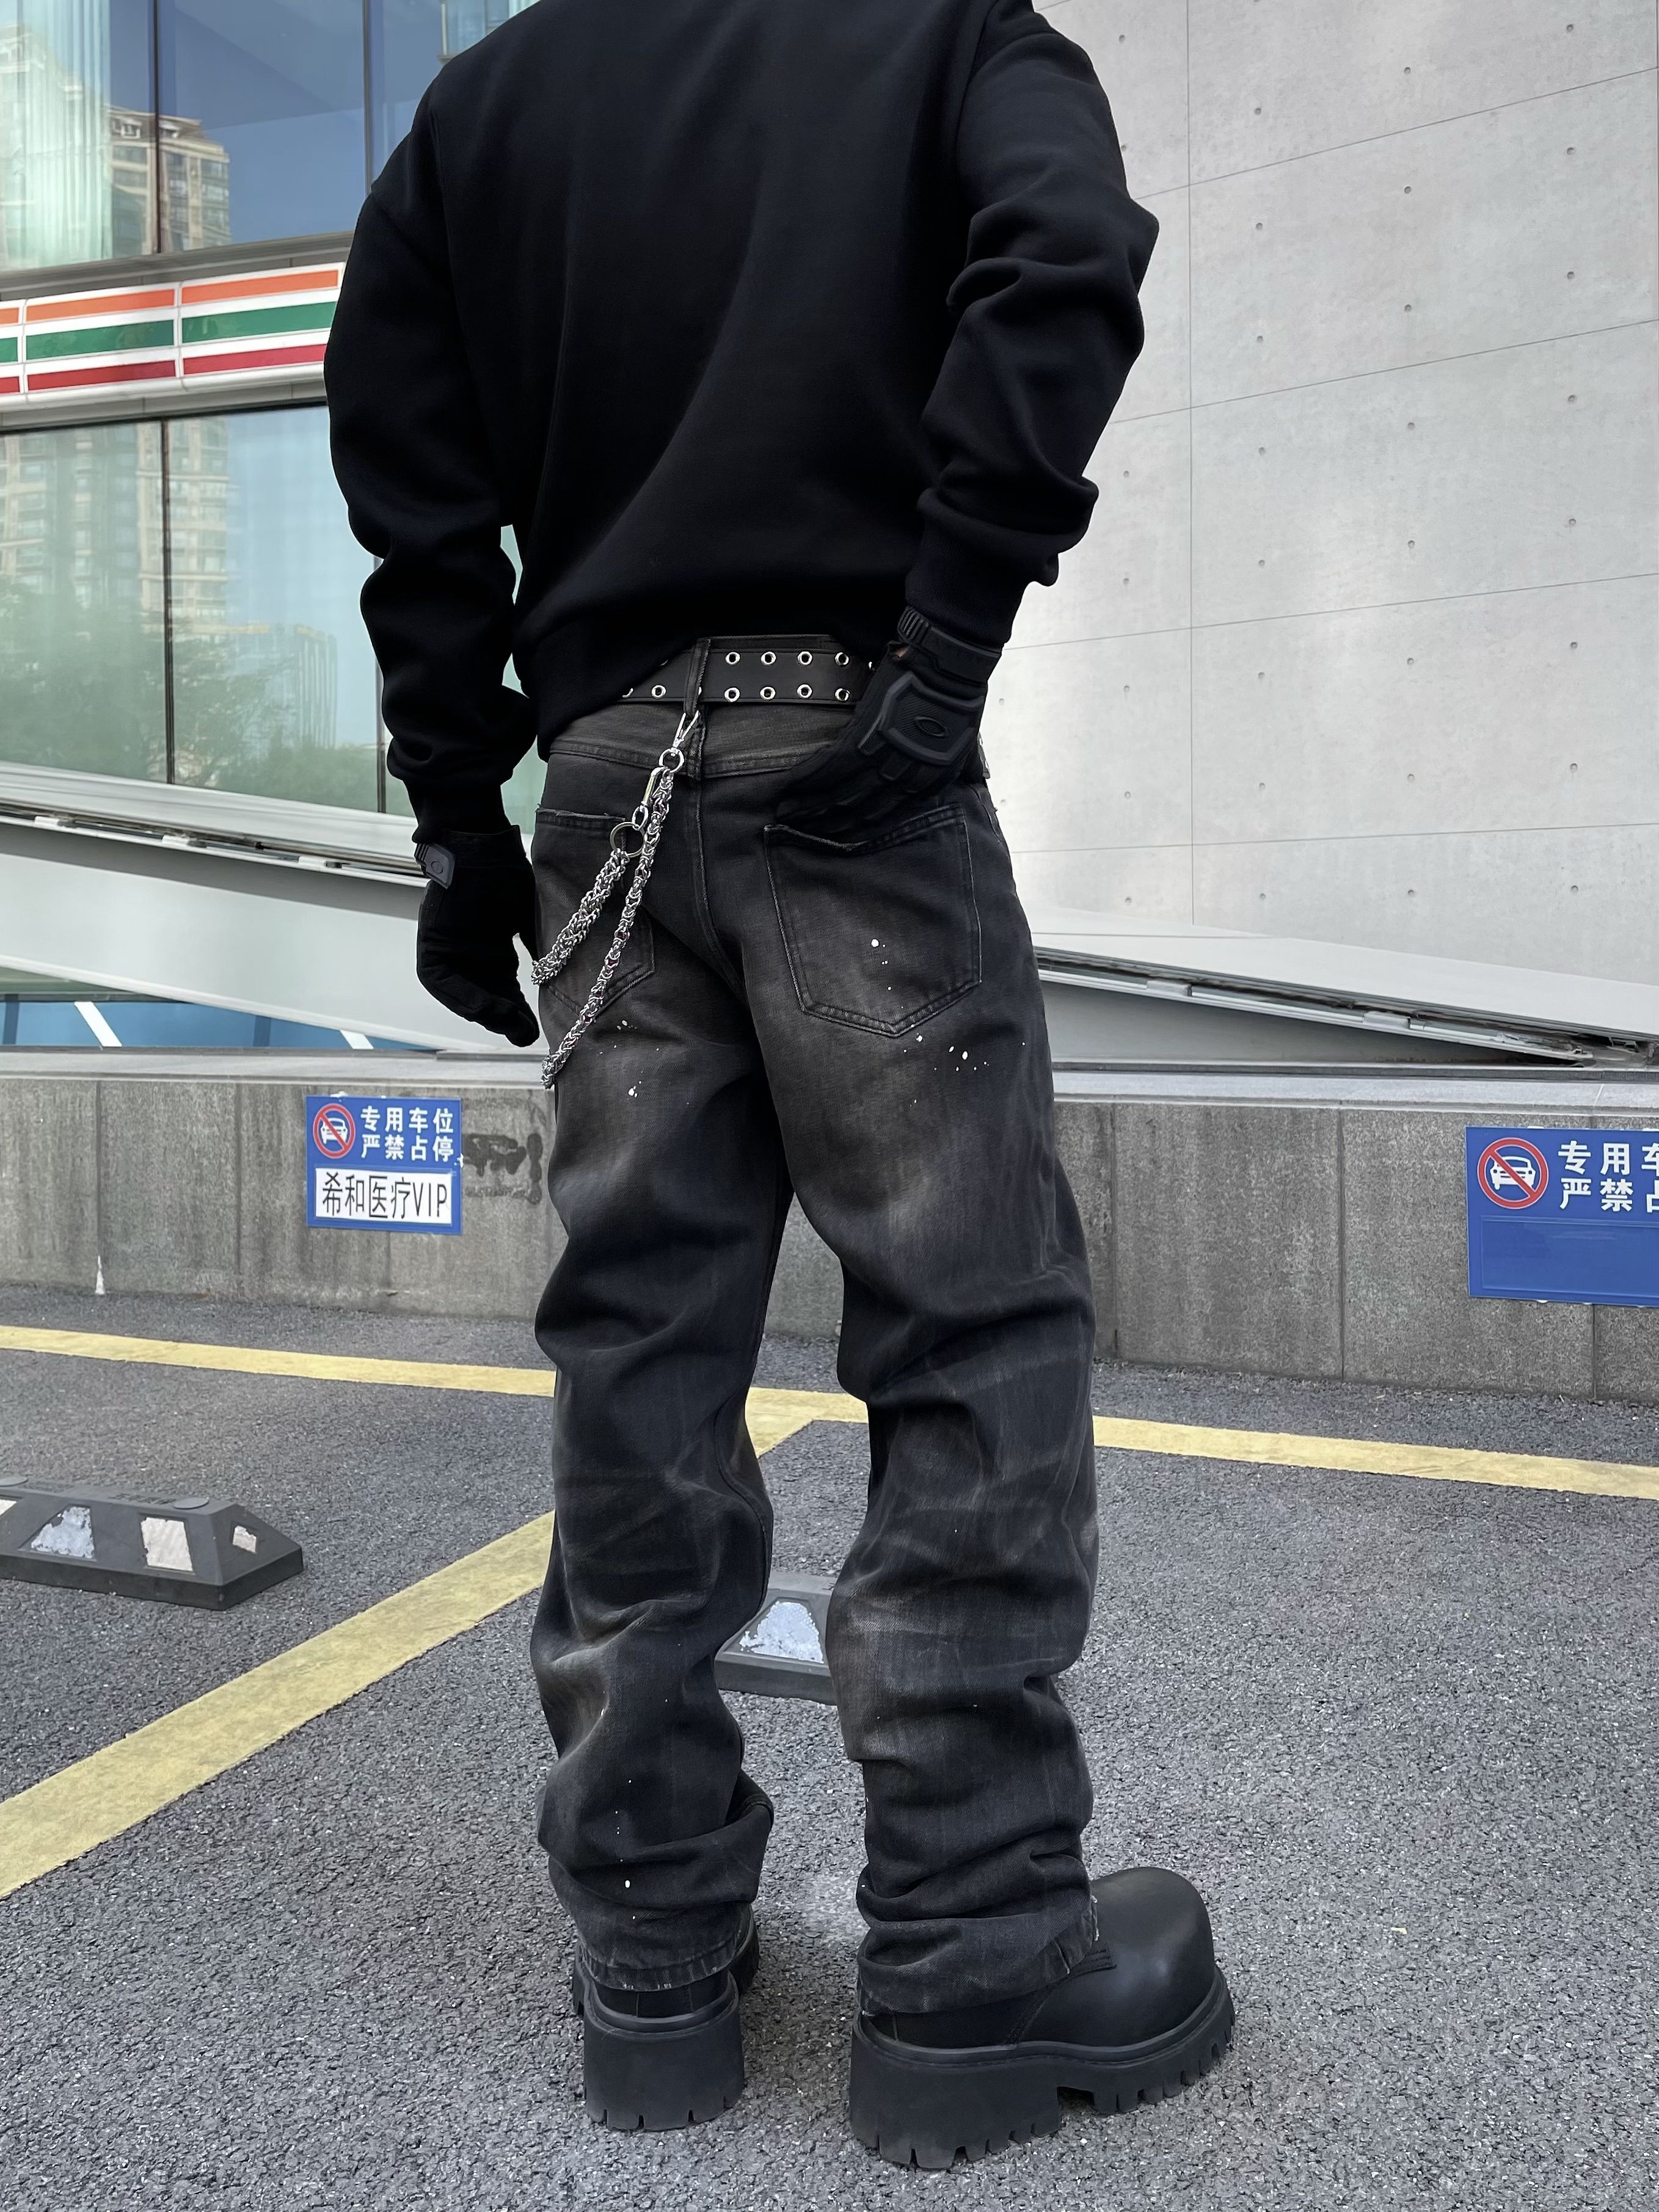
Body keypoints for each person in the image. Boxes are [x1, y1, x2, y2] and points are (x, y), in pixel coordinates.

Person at [326, 0, 1232, 2169]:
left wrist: (459, 817)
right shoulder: (945, 34)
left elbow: (409, 470)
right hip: (858, 749)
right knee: (965, 1329)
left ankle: (650, 1942)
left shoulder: (485, 104)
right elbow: (1064, 256)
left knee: (638, 1343)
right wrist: (950, 636)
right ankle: (973, 1950)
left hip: (607, 781)